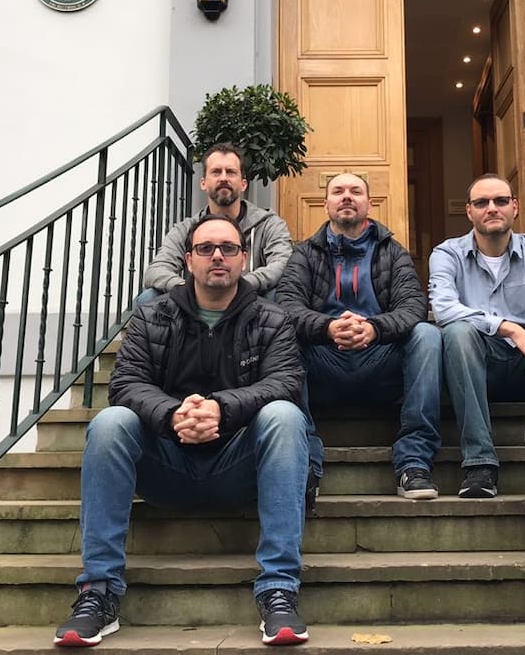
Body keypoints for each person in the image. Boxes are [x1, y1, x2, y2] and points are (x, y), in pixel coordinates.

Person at [54, 216, 311, 648]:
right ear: (188, 259)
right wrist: (174, 415)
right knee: (109, 422)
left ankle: (278, 588)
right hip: (165, 466)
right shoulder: (153, 314)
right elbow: (125, 383)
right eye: (207, 248)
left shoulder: (272, 317)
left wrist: (221, 409)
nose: (217, 256)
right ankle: (98, 591)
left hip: (237, 467)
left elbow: (285, 380)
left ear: (243, 259)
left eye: (228, 249)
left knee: (285, 415)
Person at [276, 172, 442, 501]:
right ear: (326, 204)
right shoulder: (304, 253)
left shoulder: (393, 252)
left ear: (368, 203)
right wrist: (328, 327)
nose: (347, 197)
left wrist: (374, 329)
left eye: (356, 191)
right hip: (324, 361)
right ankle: (306, 460)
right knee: (282, 335)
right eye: (338, 191)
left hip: (379, 361)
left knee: (427, 335)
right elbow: (287, 306)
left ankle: (414, 462)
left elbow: (413, 306)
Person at [428, 173, 525, 498]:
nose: (492, 208)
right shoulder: (448, 253)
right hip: (477, 365)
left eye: (501, 201)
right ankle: (480, 464)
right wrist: (510, 328)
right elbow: (443, 309)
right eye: (482, 202)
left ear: (514, 207)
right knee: (457, 332)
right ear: (469, 212)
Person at [141, 142, 292, 298]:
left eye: (231, 172)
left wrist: (240, 286)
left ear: (243, 184)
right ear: (203, 183)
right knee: (149, 297)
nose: (224, 178)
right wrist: (189, 289)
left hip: (251, 302)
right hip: (197, 305)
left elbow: (283, 263)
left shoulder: (269, 224)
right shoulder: (186, 229)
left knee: (277, 295)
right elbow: (156, 270)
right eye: (216, 172)